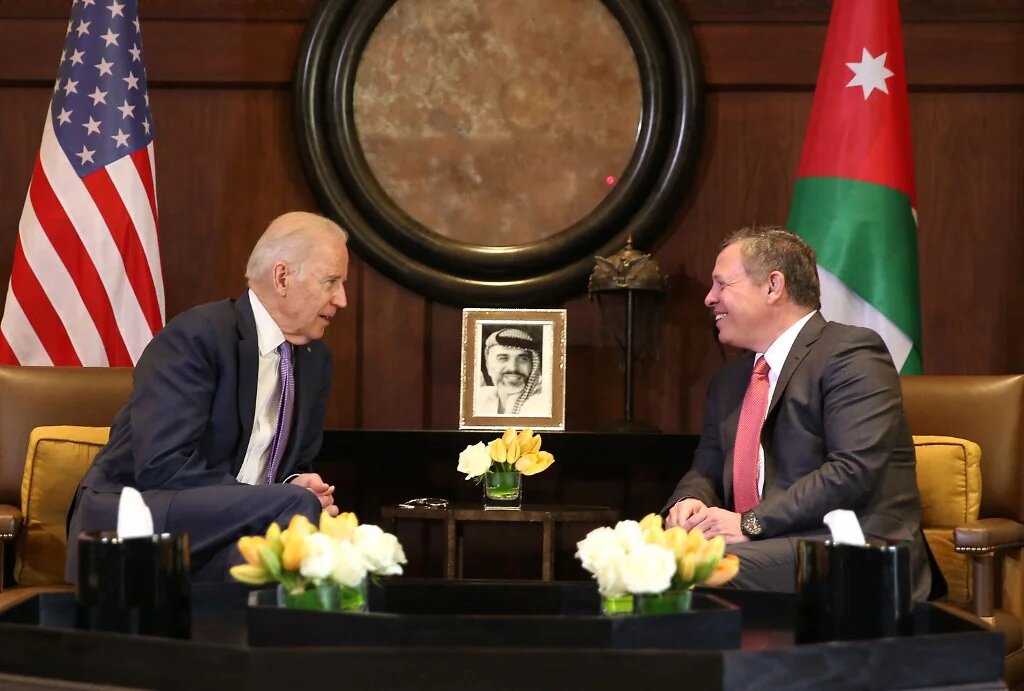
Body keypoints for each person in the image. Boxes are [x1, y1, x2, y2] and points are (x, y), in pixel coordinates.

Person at [65, 211, 349, 582]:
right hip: (137, 517)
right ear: (282, 278)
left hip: (233, 527)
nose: (341, 299)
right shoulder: (197, 336)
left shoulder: (314, 360)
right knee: (294, 513)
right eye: (331, 282)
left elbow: (295, 462)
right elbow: (163, 465)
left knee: (306, 540)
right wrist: (272, 499)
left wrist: (293, 483)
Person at [662, 225, 938, 601]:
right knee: (639, 562)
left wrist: (751, 523)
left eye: (721, 284)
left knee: (685, 572)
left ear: (773, 286)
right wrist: (688, 502)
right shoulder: (728, 381)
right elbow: (705, 469)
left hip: (850, 548)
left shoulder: (851, 353)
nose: (709, 298)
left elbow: (851, 471)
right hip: (765, 547)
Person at [473, 326, 549, 416]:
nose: (513, 368)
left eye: (523, 359)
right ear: (488, 365)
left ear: (532, 366)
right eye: (503, 358)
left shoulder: (543, 405)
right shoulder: (479, 398)